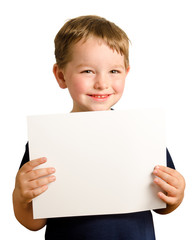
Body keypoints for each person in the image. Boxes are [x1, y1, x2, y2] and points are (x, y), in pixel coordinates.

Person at [12, 15, 185, 239]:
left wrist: (177, 194)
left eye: (114, 71)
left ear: (126, 73)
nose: (102, 83)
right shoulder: (46, 142)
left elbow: (163, 206)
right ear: (61, 75)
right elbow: (33, 223)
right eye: (87, 71)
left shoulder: (141, 134)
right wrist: (20, 196)